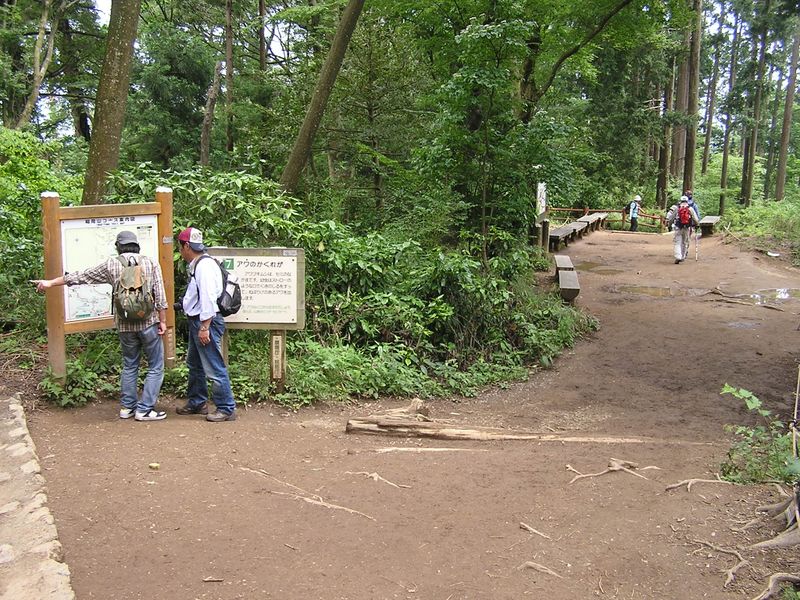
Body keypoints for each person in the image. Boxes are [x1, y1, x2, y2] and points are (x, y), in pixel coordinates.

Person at [33, 231, 168, 421]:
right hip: (148, 323)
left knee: (130, 365)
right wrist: (162, 321)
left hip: (124, 325)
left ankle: (127, 408)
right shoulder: (151, 262)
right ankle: (144, 409)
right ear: (137, 245)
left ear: (118, 247)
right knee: (155, 366)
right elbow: (160, 297)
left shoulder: (111, 264)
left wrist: (50, 283)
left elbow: (81, 276)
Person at [175, 227, 237, 422]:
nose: (180, 251)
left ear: (186, 246)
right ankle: (197, 401)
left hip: (206, 322)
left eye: (180, 247)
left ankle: (226, 408)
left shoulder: (203, 266)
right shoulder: (199, 264)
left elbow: (209, 298)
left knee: (213, 366)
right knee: (194, 364)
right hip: (198, 321)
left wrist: (204, 327)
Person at [666, 196, 699, 264]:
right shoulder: (690, 208)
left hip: (678, 227)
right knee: (685, 242)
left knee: (677, 242)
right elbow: (695, 218)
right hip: (687, 227)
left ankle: (678, 256)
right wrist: (697, 225)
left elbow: (671, 218)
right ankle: (683, 256)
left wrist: (669, 225)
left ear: (680, 201)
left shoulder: (677, 208)